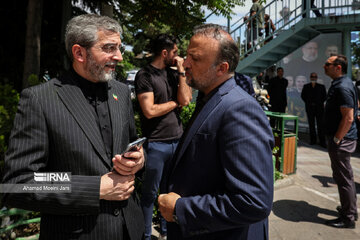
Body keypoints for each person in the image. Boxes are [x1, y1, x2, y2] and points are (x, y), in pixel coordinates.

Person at [1, 14, 145, 239]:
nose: (118, 56)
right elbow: (18, 183)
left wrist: (138, 161)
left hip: (130, 230)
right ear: (79, 52)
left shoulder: (121, 92)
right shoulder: (40, 100)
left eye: (119, 48)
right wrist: (95, 188)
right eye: (109, 48)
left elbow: (129, 147)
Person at [158, 24, 274, 240]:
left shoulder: (239, 109)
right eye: (187, 55)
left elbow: (254, 202)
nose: (186, 63)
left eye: (196, 58)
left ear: (222, 68)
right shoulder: (209, 96)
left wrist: (180, 209)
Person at [134, 34, 192, 240]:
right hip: (156, 144)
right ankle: (146, 235)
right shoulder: (145, 75)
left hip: (178, 141)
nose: (178, 56)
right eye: (175, 52)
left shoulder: (174, 74)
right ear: (165, 53)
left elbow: (186, 99)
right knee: (150, 194)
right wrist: (174, 103)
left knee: (170, 192)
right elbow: (149, 110)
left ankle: (167, 232)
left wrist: (182, 71)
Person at [323, 55, 358, 229]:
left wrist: (337, 138)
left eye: (327, 64)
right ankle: (350, 208)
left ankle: (348, 217)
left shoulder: (343, 86)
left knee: (343, 179)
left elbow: (349, 118)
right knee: (345, 177)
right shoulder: (343, 83)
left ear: (338, 67)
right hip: (342, 139)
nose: (324, 66)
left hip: (341, 140)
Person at [301, 72, 327, 147]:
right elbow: (303, 96)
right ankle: (313, 140)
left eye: (315, 76)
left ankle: (322, 141)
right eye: (312, 76)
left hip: (319, 109)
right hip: (310, 108)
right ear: (310, 77)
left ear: (317, 78)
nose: (313, 78)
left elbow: (324, 96)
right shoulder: (306, 86)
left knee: (320, 125)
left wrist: (318, 103)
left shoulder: (321, 87)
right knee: (311, 125)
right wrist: (309, 103)